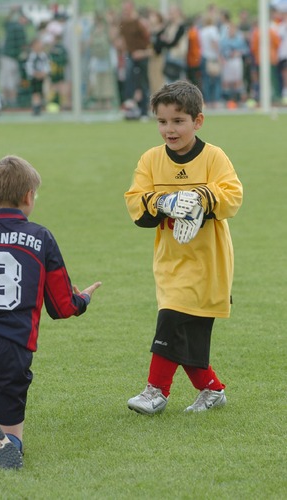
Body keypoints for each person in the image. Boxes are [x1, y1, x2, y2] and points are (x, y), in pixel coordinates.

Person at [124, 80, 243, 416]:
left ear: (197, 121)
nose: (169, 129)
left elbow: (233, 196)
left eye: (178, 121)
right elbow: (135, 204)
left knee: (173, 318)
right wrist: (165, 202)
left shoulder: (214, 157)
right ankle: (212, 389)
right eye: (162, 122)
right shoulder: (150, 160)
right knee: (185, 328)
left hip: (208, 260)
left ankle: (155, 392)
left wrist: (201, 199)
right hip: (170, 260)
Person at [0, 155, 101, 468]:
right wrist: (83, 300)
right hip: (10, 344)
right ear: (28, 197)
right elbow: (61, 307)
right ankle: (7, 445)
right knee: (9, 424)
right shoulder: (40, 237)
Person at [0, 8, 28, 108]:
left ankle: (7, 102)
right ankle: (11, 102)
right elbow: (23, 46)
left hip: (8, 58)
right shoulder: (18, 27)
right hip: (9, 58)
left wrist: (12, 11)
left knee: (7, 81)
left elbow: (6, 21)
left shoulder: (12, 26)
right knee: (10, 82)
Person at [26, 38, 50, 115]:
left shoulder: (43, 56)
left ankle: (41, 105)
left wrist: (44, 73)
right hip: (34, 78)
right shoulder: (31, 56)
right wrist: (35, 73)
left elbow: (47, 66)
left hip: (43, 77)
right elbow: (28, 67)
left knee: (43, 91)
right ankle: (36, 107)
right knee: (35, 92)